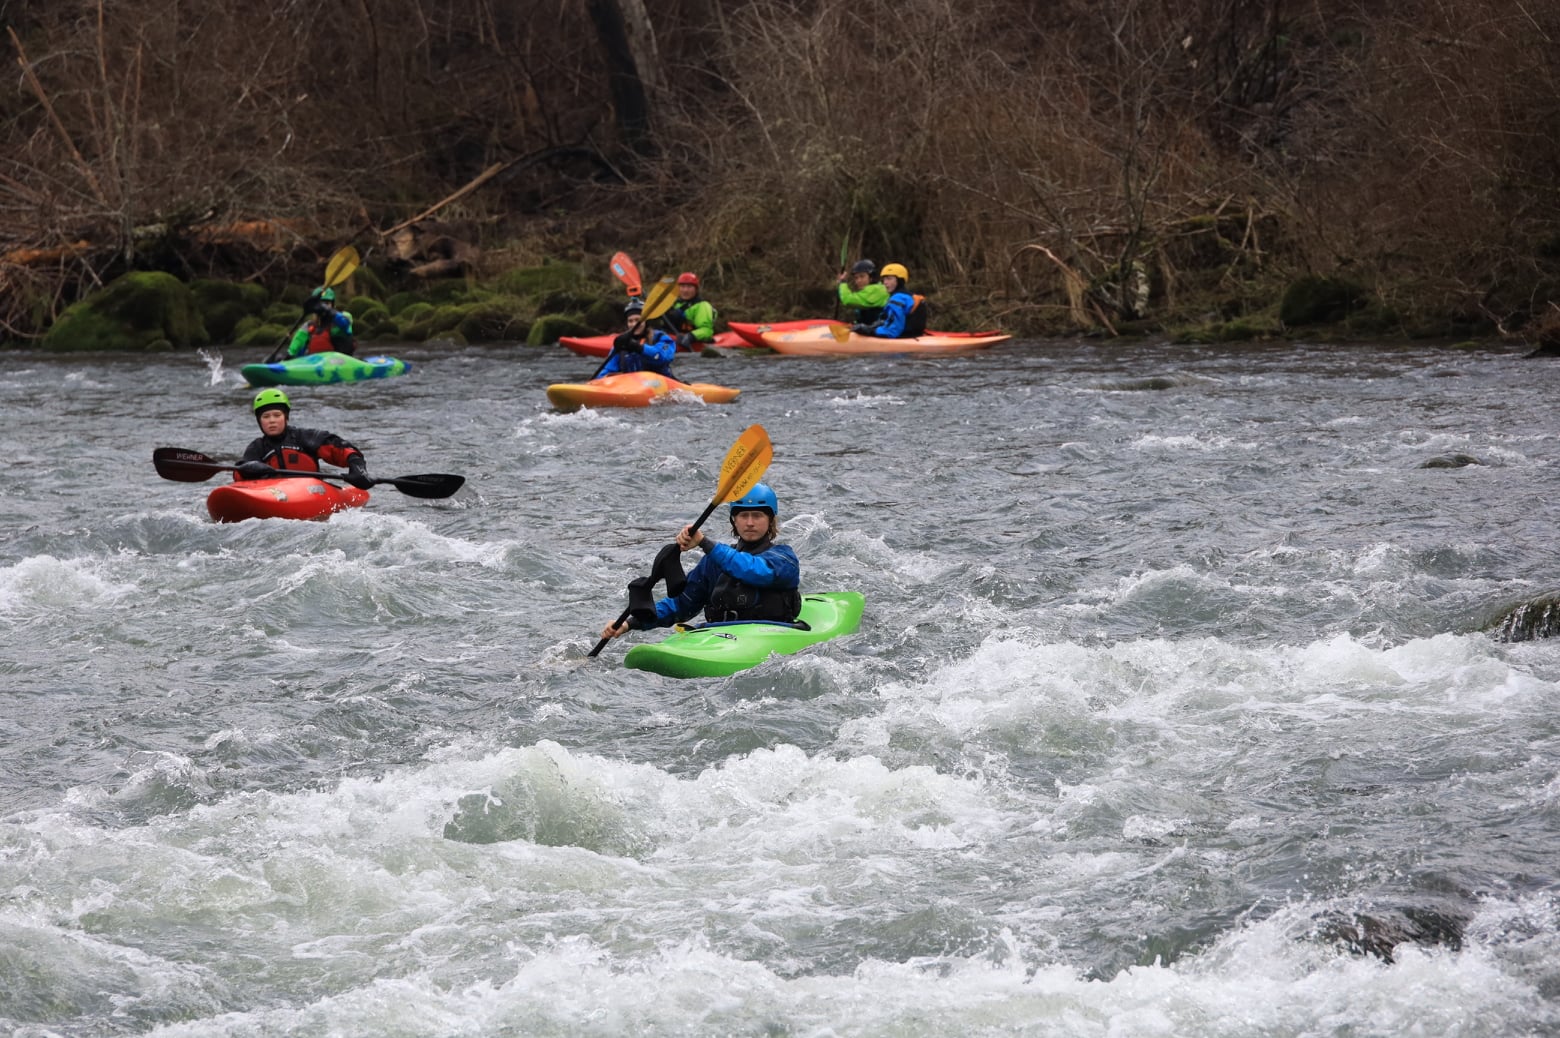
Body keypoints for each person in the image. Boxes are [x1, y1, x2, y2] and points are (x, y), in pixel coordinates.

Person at [599, 482, 801, 640]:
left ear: (770, 520)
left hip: (770, 635)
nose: (749, 522)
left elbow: (753, 570)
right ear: (734, 520)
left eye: (757, 516)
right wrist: (630, 623)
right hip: (720, 635)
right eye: (743, 515)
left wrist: (704, 543)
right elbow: (681, 604)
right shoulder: (713, 563)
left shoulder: (784, 558)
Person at [236, 388, 372, 488]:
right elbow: (238, 476)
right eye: (266, 416)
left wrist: (357, 465)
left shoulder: (305, 437)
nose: (272, 420)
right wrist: (248, 470)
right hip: (273, 493)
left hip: (310, 491)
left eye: (277, 415)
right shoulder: (257, 447)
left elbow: (340, 449)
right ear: (259, 421)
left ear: (286, 417)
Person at [596, 298, 677, 378]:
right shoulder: (622, 343)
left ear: (646, 321)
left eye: (637, 320)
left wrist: (639, 348)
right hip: (633, 386)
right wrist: (600, 380)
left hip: (660, 385)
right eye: (630, 321)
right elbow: (607, 370)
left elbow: (662, 357)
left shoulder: (660, 337)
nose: (634, 324)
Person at [851, 262, 928, 339]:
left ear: (899, 280)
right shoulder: (906, 295)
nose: (885, 283)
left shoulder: (897, 299)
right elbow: (888, 320)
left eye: (889, 279)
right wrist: (871, 327)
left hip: (905, 337)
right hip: (914, 335)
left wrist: (870, 331)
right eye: (884, 279)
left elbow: (892, 332)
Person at [286, 287, 356, 357]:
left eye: (327, 303)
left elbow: (345, 323)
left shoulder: (344, 317)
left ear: (333, 305)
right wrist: (287, 357)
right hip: (314, 364)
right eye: (320, 303)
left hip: (340, 362)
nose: (322, 306)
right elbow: (296, 345)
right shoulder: (308, 326)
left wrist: (326, 310)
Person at [663, 271, 718, 350]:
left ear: (696, 289)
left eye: (689, 287)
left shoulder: (702, 306)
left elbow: (707, 331)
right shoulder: (673, 304)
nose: (685, 290)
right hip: (673, 338)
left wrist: (690, 336)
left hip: (691, 342)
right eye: (682, 286)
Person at [835, 259, 888, 325]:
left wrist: (843, 283)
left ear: (871, 277)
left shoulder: (877, 290)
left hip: (878, 332)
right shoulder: (869, 291)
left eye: (862, 276)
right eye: (856, 278)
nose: (858, 281)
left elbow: (848, 300)